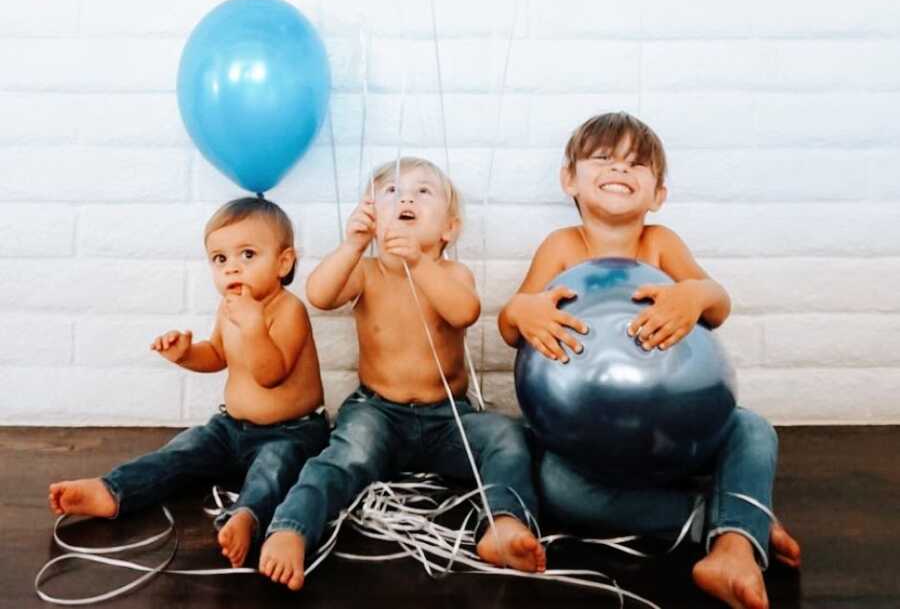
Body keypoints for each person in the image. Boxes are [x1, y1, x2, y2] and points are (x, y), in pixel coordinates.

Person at [498, 112, 802, 609]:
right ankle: (736, 518)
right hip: (588, 449)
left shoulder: (660, 244)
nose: (620, 169)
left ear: (658, 193)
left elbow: (718, 305)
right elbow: (513, 331)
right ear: (568, 178)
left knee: (753, 429)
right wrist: (521, 308)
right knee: (558, 490)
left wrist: (694, 293)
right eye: (603, 158)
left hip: (678, 435)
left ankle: (733, 550)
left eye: (637, 164)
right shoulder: (560, 248)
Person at [259, 156, 544, 591]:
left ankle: (504, 524)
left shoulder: (451, 272)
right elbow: (319, 295)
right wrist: (352, 245)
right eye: (390, 191)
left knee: (508, 437)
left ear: (448, 229)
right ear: (372, 216)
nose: (406, 196)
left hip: (447, 417)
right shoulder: (366, 271)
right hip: (377, 413)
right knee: (341, 458)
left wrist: (419, 263)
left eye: (423, 191)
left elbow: (463, 311)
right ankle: (293, 526)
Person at [48, 197, 328, 570]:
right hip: (232, 428)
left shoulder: (288, 310)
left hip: (291, 433)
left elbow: (270, 374)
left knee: (274, 472)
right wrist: (186, 354)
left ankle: (246, 517)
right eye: (220, 259)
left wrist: (254, 325)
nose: (232, 269)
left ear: (283, 262)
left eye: (247, 254)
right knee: (184, 449)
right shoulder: (230, 308)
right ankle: (114, 490)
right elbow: (217, 353)